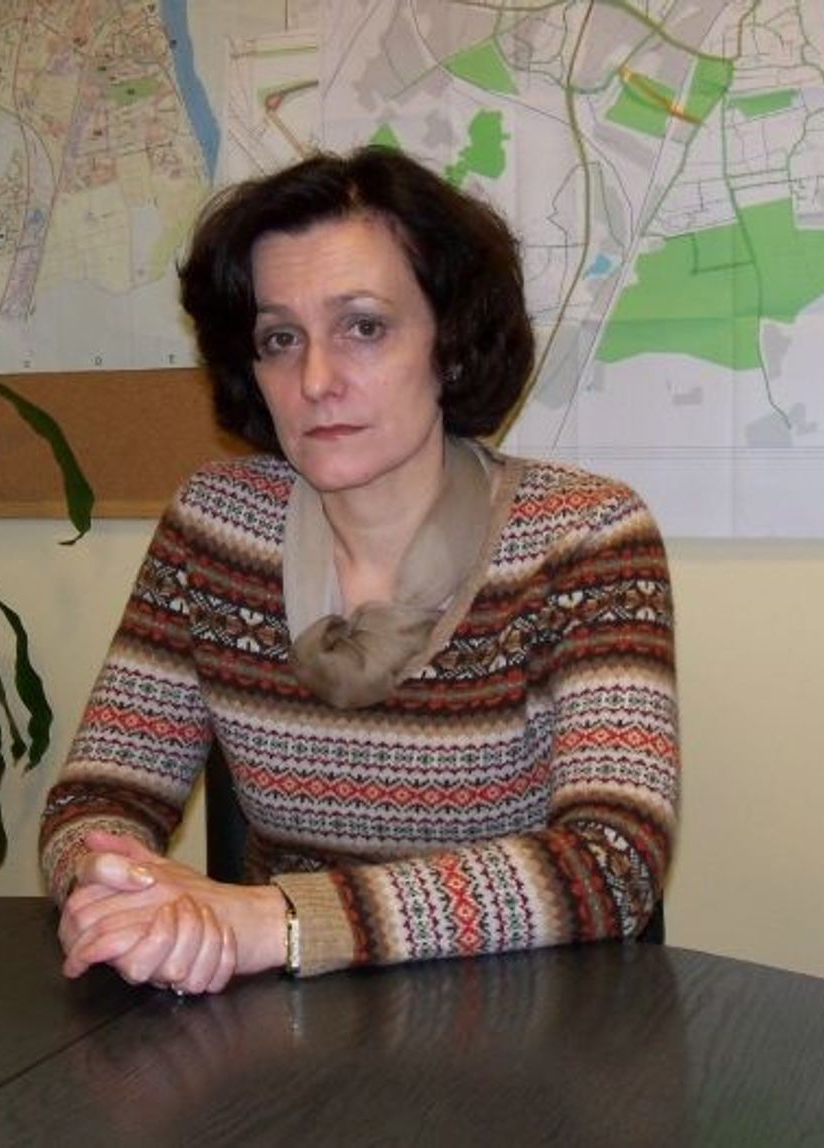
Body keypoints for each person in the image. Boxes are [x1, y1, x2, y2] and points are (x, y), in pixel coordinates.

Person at [41, 146, 678, 994]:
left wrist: (279, 920)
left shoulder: (583, 538)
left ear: (450, 346)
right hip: (287, 1024)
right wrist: (112, 881)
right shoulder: (215, 528)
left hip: (531, 1025)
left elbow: (614, 861)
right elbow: (95, 798)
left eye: (364, 328)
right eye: (280, 339)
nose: (315, 379)